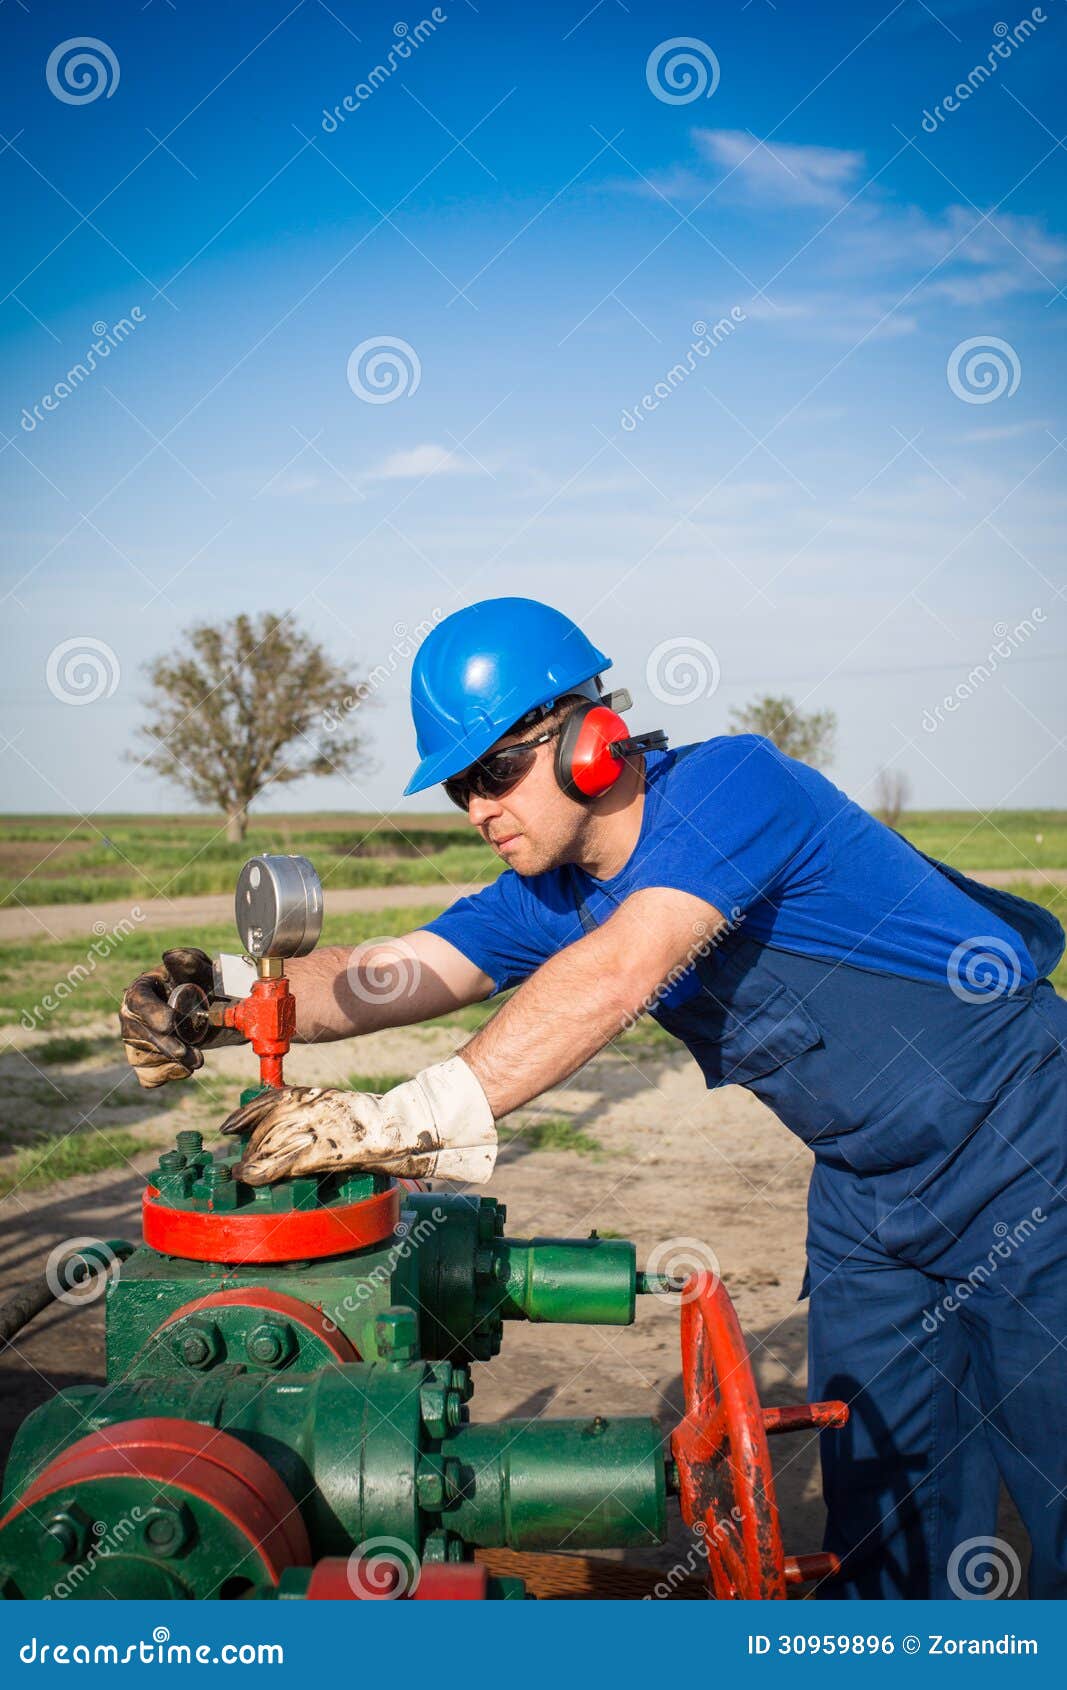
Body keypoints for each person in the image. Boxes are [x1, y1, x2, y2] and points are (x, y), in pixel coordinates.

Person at [121, 595, 1067, 1600]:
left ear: (589, 740)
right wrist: (219, 996)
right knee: (881, 1515)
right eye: (456, 790)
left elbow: (619, 971)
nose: (479, 809)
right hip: (866, 1199)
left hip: (1025, 1152)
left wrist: (391, 1121)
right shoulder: (557, 887)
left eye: (493, 772)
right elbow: (396, 970)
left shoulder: (731, 787)